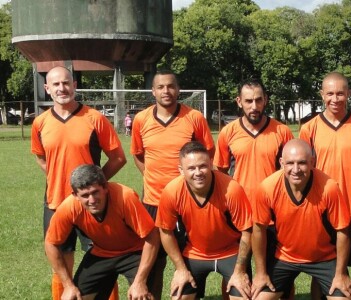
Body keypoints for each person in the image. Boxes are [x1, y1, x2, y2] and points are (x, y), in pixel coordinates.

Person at [32, 66, 127, 300]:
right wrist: (57, 176)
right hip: (55, 203)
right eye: (55, 84)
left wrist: (96, 184)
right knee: (60, 263)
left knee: (105, 259)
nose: (61, 88)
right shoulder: (40, 123)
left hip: (92, 204)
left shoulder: (95, 119)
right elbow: (40, 156)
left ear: (74, 85)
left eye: (66, 83)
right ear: (47, 89)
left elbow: (118, 158)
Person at [130, 69, 215, 298]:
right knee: (153, 262)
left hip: (187, 202)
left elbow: (207, 153)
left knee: (189, 257)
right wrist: (151, 177)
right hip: (153, 201)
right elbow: (138, 154)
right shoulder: (141, 119)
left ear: (178, 90)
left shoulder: (194, 117)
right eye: (160, 87)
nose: (166, 91)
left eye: (170, 86)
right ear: (153, 91)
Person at [299, 72, 351, 299]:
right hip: (321, 210)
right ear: (322, 94)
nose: (335, 98)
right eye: (330, 93)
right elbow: (303, 169)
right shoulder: (310, 128)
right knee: (322, 269)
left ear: (349, 94)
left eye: (340, 93)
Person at [250, 139, 351, 300]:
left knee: (343, 298)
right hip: (283, 257)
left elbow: (343, 231)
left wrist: (340, 274)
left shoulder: (330, 188)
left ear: (313, 162)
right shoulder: (267, 188)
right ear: (281, 163)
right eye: (290, 163)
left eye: (302, 163)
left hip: (324, 258)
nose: (296, 169)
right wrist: (261, 273)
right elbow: (258, 230)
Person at [44, 164, 159, 300]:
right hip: (102, 253)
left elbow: (152, 236)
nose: (92, 200)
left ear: (105, 188)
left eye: (95, 192)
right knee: (76, 297)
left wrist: (139, 281)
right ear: (75, 195)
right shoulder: (69, 208)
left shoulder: (125, 197)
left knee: (142, 297)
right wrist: (68, 285)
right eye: (85, 195)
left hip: (136, 252)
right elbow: (51, 243)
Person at [157, 142, 253, 300]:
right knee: (179, 297)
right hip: (195, 252)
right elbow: (165, 231)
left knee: (242, 296)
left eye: (202, 166)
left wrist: (240, 271)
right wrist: (180, 269)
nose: (198, 172)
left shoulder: (231, 189)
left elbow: (247, 231)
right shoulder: (172, 191)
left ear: (211, 165)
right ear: (181, 170)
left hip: (230, 251)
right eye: (191, 168)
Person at [214, 79, 294, 193]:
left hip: (272, 203)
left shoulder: (282, 132)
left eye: (258, 100)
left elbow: (292, 170)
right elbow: (221, 170)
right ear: (239, 101)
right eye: (248, 101)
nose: (254, 107)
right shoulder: (227, 132)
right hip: (240, 203)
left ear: (265, 100)